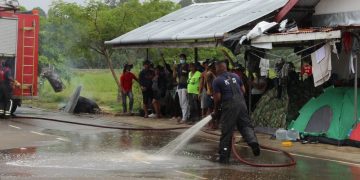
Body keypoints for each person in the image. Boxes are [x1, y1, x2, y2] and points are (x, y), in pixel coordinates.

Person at [212, 60, 260, 164]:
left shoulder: (217, 80)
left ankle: (223, 157)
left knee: (227, 132)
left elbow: (217, 98)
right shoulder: (235, 76)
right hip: (242, 104)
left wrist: (215, 111)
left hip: (229, 106)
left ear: (218, 68)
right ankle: (253, 142)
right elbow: (243, 90)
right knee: (245, 126)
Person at [173, 54, 189, 124]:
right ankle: (183, 116)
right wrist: (174, 69)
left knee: (184, 102)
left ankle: (185, 118)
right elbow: (174, 76)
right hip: (179, 86)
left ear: (185, 59)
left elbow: (186, 75)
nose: (181, 59)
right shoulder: (178, 66)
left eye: (182, 58)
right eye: (180, 58)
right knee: (181, 102)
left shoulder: (187, 66)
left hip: (185, 86)